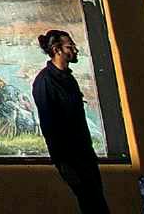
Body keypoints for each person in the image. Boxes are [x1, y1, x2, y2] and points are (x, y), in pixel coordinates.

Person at [32, 28, 107, 214]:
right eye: (70, 46)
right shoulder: (44, 82)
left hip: (84, 153)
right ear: (57, 50)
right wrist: (64, 165)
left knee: (97, 202)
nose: (75, 50)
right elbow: (49, 126)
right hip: (70, 158)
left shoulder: (69, 79)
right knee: (91, 203)